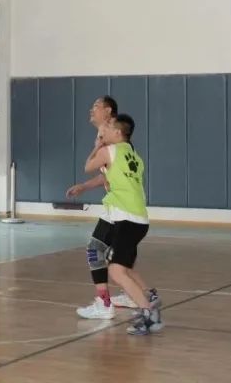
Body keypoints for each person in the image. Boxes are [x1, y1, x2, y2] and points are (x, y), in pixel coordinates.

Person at [66, 114, 162, 335]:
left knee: (116, 271)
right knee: (118, 266)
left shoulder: (108, 150)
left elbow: (88, 166)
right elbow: (111, 177)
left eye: (108, 126)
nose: (104, 130)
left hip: (126, 218)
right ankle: (147, 301)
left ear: (118, 132)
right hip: (137, 218)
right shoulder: (134, 155)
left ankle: (148, 312)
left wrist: (97, 146)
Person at [83, 96, 156, 310]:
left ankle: (107, 303)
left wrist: (97, 148)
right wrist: (84, 186)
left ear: (108, 112)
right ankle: (143, 296)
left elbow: (95, 166)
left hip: (121, 209)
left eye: (96, 106)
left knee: (105, 257)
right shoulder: (115, 141)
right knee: (116, 260)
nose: (91, 110)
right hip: (126, 209)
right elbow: (108, 174)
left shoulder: (111, 142)